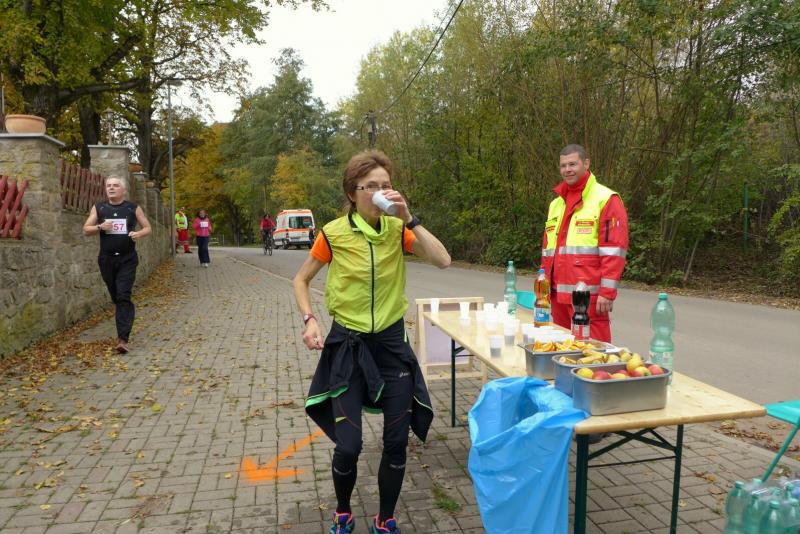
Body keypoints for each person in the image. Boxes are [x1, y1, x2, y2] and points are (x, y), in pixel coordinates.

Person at [293, 150, 451, 534]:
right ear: (353, 192)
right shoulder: (333, 233)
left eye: (386, 185)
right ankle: (343, 511)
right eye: (371, 186)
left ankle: (385, 519)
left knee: (396, 443)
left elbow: (443, 260)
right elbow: (301, 280)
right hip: (347, 346)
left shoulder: (398, 230)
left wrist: (409, 217)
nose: (380, 192)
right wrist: (310, 319)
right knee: (348, 445)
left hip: (392, 348)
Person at [539, 144, 629, 343]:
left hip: (587, 297)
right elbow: (547, 251)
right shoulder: (556, 204)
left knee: (593, 353)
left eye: (573, 164)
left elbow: (614, 250)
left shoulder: (605, 198)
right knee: (562, 350)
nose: (567, 170)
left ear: (586, 163)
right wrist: (542, 287)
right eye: (563, 165)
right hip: (557, 297)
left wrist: (607, 292)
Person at [82, 175, 151, 353]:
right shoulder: (99, 208)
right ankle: (123, 312)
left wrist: (138, 234)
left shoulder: (132, 208)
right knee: (116, 296)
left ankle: (122, 339)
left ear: (123, 189)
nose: (111, 188)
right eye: (108, 186)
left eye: (115, 185)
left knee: (123, 295)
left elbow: (147, 228)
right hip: (106, 260)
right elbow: (86, 229)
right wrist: (100, 227)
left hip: (127, 259)